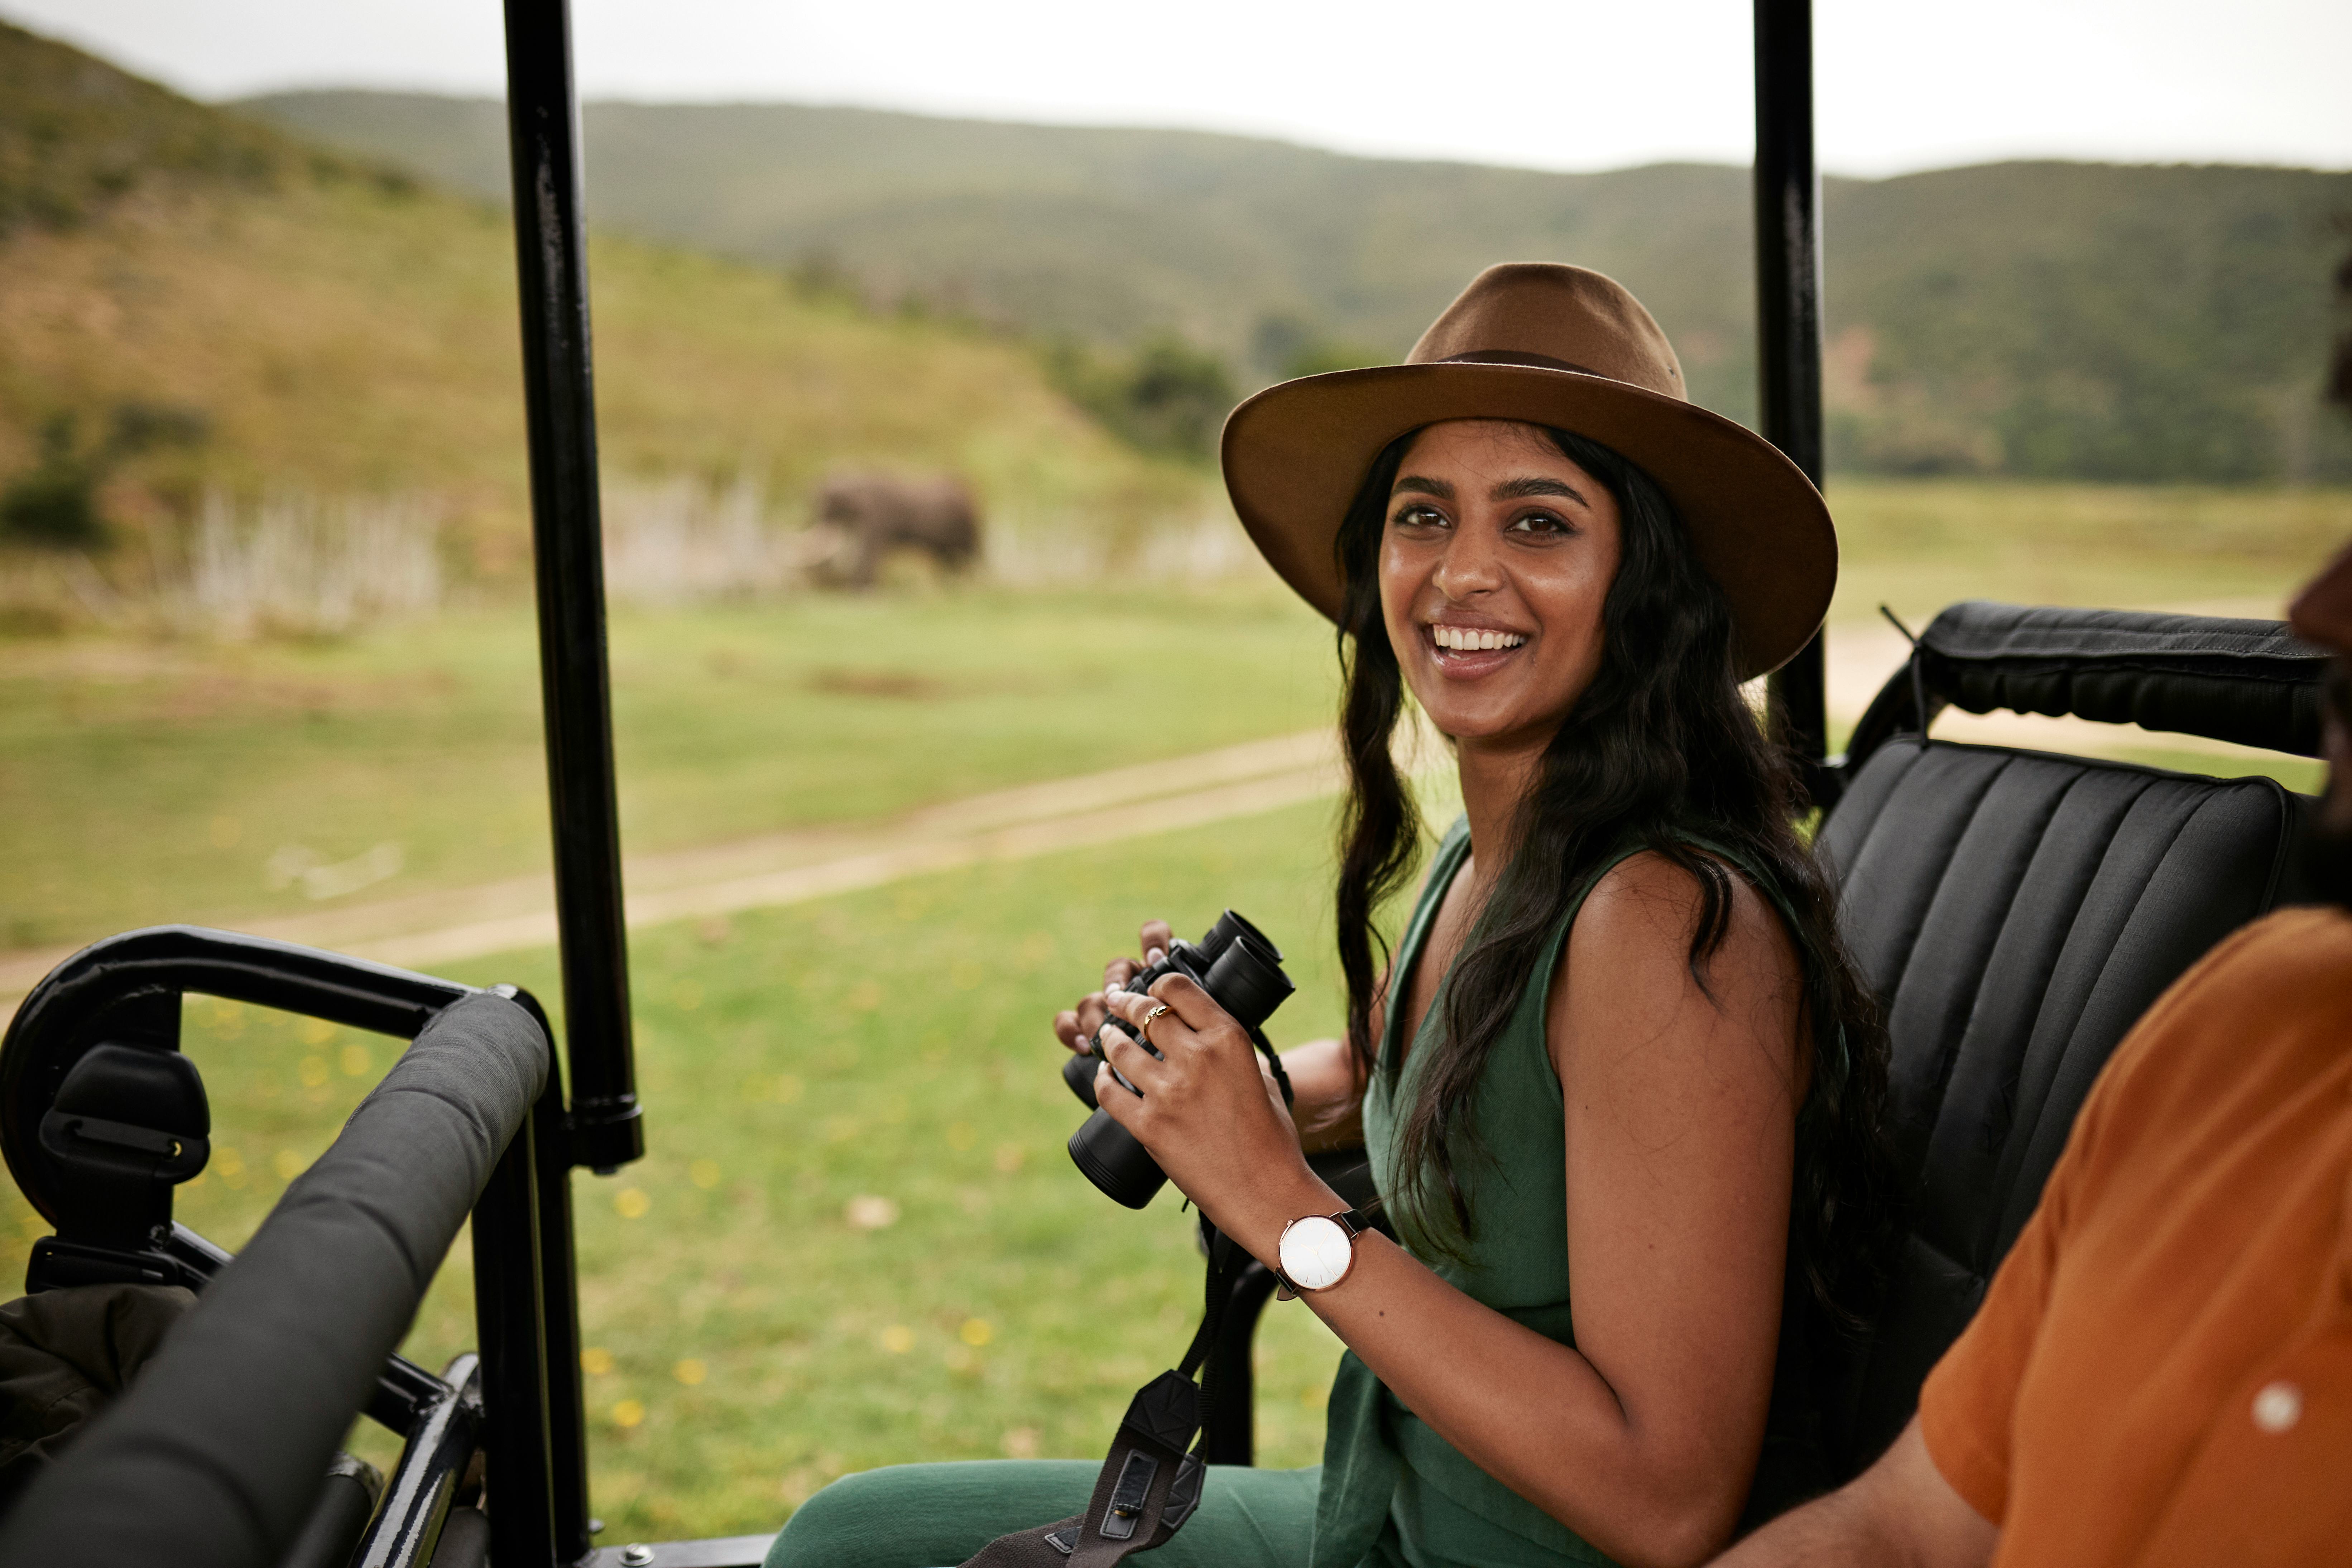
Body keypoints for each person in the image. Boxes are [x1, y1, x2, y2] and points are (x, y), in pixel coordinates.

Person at [769, 263, 1892, 1568]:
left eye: (1538, 524)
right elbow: (1403, 1077)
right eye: (1424, 516)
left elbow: (1667, 1497)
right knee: (853, 1536)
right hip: (1380, 1512)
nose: (1462, 572)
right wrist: (1196, 1078)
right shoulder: (1500, 854)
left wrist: (1282, 1203)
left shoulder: (1664, 922)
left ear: (1644, 581)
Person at [1705, 367, 2352, 1568]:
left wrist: (1307, 1224)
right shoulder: (2261, 1012)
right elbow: (1900, 1531)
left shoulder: (1668, 904)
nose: (2318, 606)